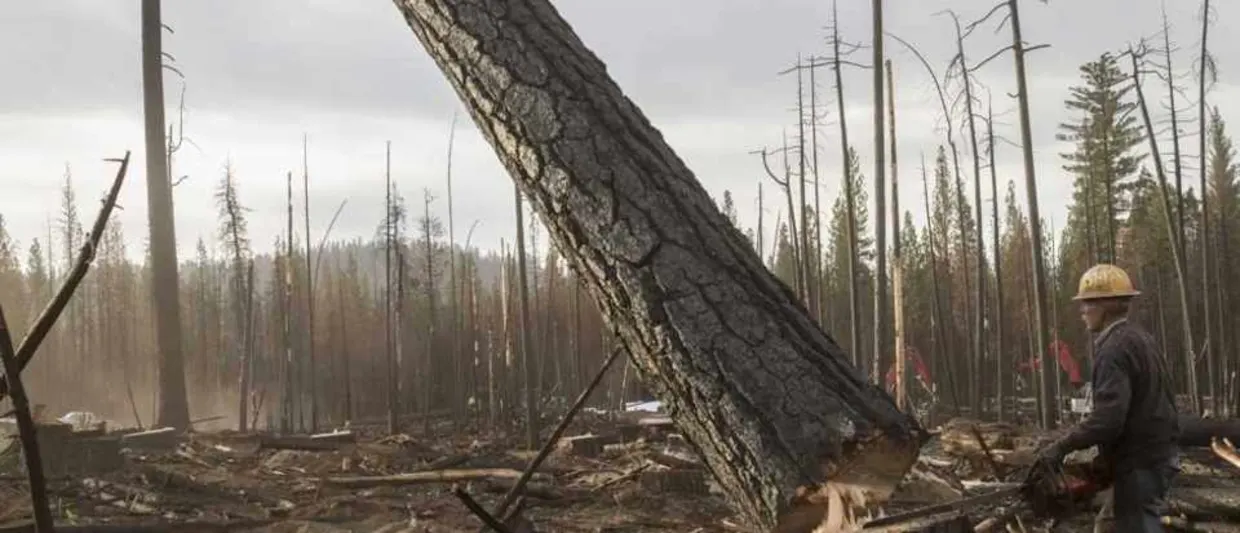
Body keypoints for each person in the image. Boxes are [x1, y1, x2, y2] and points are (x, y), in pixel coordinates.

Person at [1037, 263, 1179, 532]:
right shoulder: (1141, 339)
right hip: (1156, 455)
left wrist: (1061, 446)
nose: (1082, 312)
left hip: (1141, 463)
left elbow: (1107, 419)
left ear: (1104, 306)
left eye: (1086, 304)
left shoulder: (1113, 348)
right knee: (1110, 524)